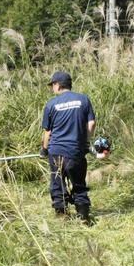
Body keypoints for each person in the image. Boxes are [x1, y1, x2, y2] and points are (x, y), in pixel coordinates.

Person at [40, 71, 96, 224]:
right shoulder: (83, 99)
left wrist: (44, 149)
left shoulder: (51, 104)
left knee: (57, 183)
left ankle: (62, 216)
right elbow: (91, 124)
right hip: (75, 152)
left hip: (56, 152)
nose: (52, 88)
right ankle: (84, 216)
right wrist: (85, 142)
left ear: (58, 85)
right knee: (79, 183)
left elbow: (48, 132)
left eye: (53, 85)